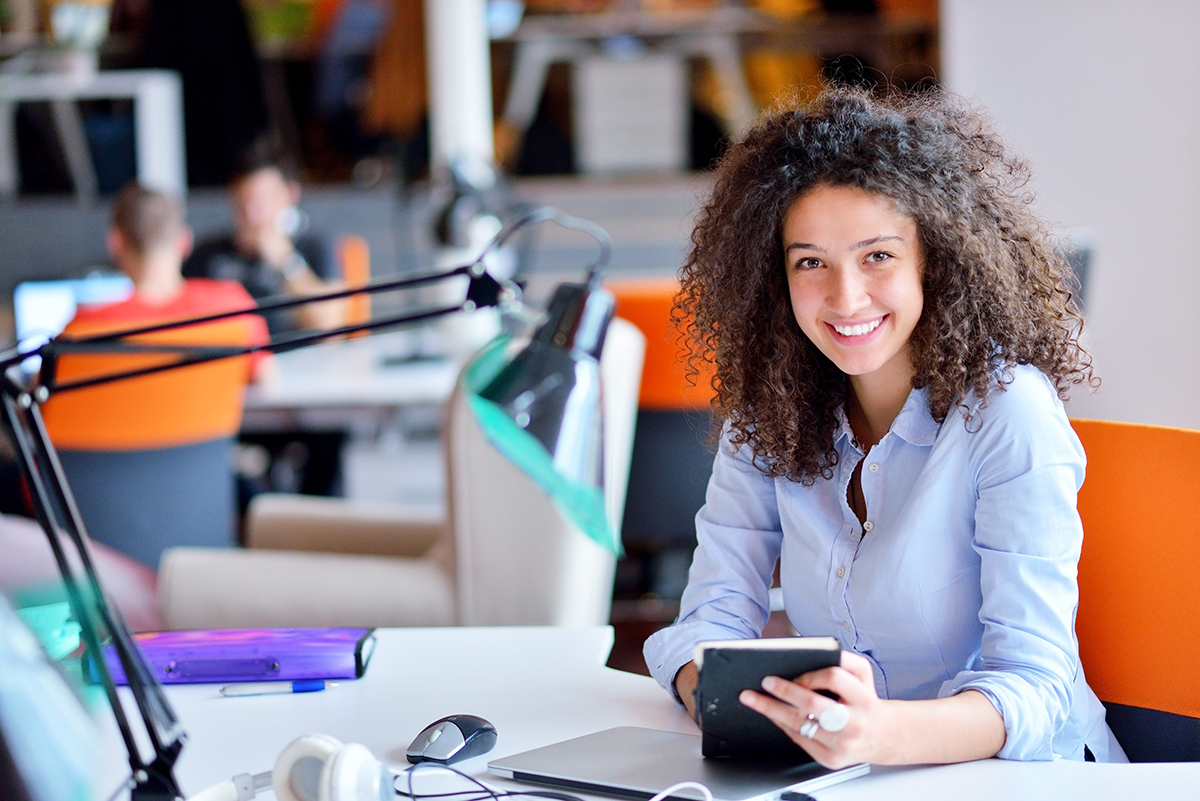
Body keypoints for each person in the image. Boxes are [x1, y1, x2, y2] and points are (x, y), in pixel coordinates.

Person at [643, 86, 1124, 766]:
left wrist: (876, 734)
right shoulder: (769, 412)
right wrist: (726, 701)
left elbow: (1036, 688)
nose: (845, 298)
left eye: (877, 256)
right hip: (853, 773)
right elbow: (708, 622)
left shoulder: (1007, 412)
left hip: (1016, 777)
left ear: (936, 257)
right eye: (811, 262)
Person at [67, 183, 269, 377]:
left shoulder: (83, 332)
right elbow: (264, 377)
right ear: (185, 241)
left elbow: (45, 404)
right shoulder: (234, 308)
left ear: (116, 242)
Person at [184, 141, 347, 334]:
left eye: (261, 203)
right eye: (243, 204)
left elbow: (331, 324)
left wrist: (285, 261)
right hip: (233, 356)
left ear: (290, 194)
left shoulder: (313, 244)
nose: (252, 215)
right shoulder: (210, 253)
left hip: (296, 357)